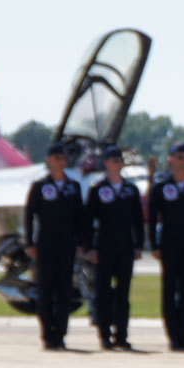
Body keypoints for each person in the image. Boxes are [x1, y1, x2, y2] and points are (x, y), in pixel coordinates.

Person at [24, 142, 85, 350]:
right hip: (45, 246)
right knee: (45, 290)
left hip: (67, 245)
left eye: (63, 158)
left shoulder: (73, 187)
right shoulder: (40, 187)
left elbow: (80, 217)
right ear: (49, 160)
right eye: (57, 158)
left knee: (64, 290)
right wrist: (29, 243)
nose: (61, 161)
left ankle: (60, 333)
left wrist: (81, 242)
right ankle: (46, 332)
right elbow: (29, 215)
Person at [148, 142, 184, 351]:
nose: (182, 161)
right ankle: (173, 334)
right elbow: (152, 217)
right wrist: (154, 244)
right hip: (168, 245)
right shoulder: (162, 187)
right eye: (178, 157)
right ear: (170, 160)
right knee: (169, 289)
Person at [86, 145, 144, 350]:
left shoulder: (130, 190)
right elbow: (88, 221)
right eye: (114, 160)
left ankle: (122, 335)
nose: (118, 163)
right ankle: (104, 335)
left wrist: (139, 245)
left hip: (125, 246)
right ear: (107, 163)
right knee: (103, 292)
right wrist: (90, 247)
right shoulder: (98, 189)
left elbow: (138, 220)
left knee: (123, 293)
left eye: (120, 160)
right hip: (104, 246)